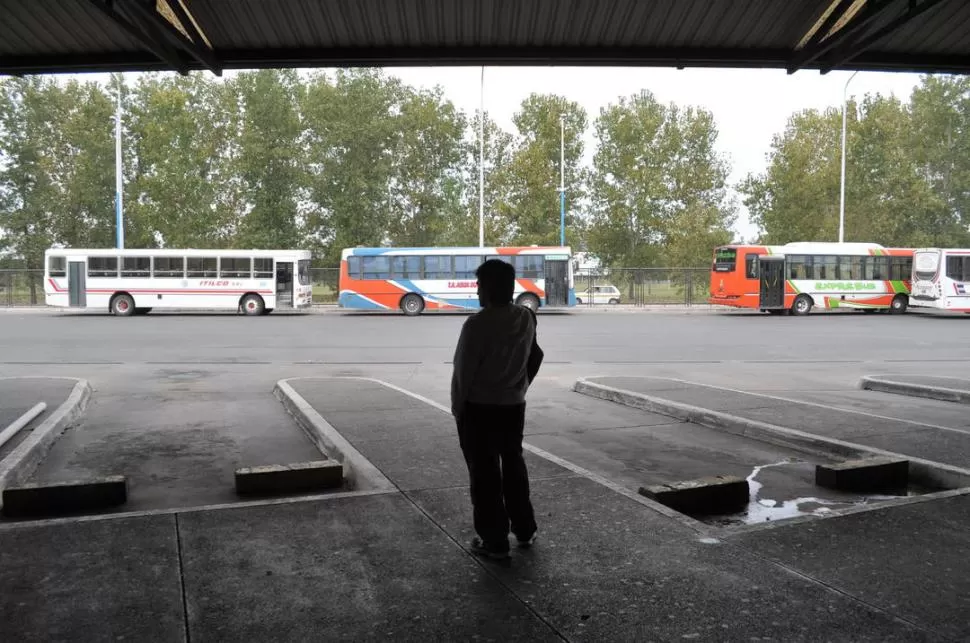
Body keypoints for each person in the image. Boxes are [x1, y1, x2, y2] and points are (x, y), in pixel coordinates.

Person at [451, 258, 543, 561]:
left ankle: (495, 540)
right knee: (514, 464)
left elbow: (463, 373)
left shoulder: (476, 324)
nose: (477, 291)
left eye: (479, 285)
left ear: (488, 289)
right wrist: (521, 386)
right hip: (514, 407)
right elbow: (535, 355)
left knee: (485, 473)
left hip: (480, 409)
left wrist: (458, 411)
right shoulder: (526, 317)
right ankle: (525, 528)